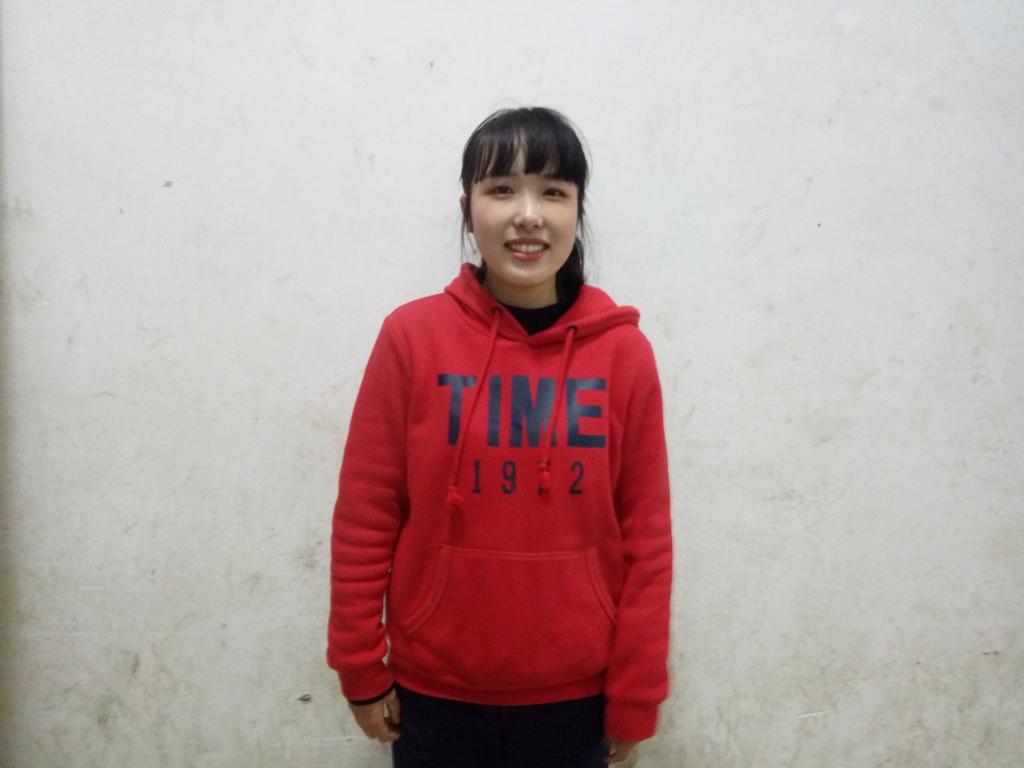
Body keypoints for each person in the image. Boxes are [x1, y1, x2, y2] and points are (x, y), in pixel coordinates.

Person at [326, 106, 673, 768]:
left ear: (578, 210)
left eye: (553, 192)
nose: (528, 215)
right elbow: (366, 514)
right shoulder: (412, 339)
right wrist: (358, 663)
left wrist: (638, 691)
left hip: (578, 699)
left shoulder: (624, 355)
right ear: (468, 210)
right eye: (502, 189)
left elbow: (647, 538)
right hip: (433, 695)